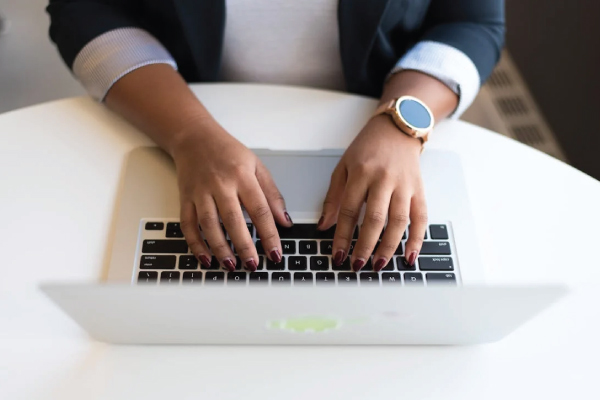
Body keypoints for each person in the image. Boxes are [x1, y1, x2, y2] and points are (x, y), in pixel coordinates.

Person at [47, 0, 505, 274]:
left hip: (374, 109)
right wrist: (188, 135)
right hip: (175, 103)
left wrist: (402, 125)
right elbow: (82, 9)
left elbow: (472, 19)